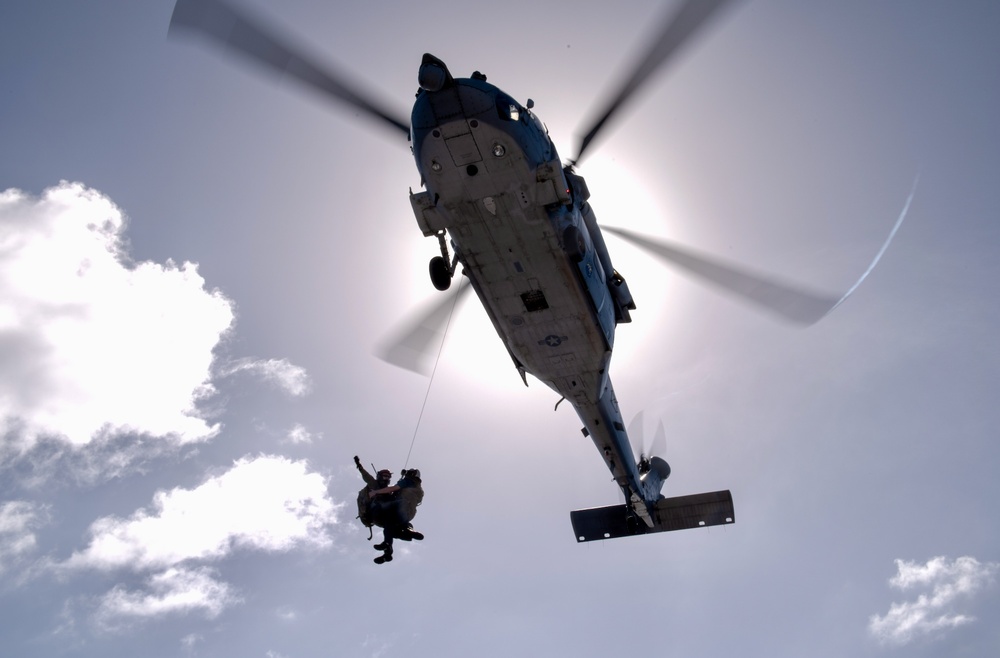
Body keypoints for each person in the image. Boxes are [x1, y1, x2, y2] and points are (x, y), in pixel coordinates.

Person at [368, 468, 424, 565]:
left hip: (401, 507)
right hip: (408, 514)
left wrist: (375, 492)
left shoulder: (408, 481)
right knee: (389, 523)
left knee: (381, 507)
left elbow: (392, 489)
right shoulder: (418, 487)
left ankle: (404, 533)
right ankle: (388, 551)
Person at [354, 456, 392, 532]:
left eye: (388, 477)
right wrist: (359, 465)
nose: (387, 479)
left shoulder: (387, 490)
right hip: (369, 511)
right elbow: (366, 476)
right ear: (380, 476)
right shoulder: (374, 484)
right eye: (385, 476)